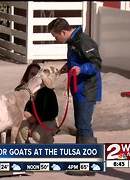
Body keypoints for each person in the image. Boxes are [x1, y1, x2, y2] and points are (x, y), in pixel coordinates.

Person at [48, 18, 102, 176]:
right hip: (79, 89)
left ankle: (88, 166)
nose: (55, 39)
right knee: (81, 125)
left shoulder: (84, 41)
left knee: (84, 126)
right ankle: (81, 162)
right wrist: (69, 66)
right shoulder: (72, 41)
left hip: (87, 90)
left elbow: (96, 63)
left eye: (55, 36)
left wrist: (81, 69)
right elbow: (78, 60)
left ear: (63, 32)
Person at [15, 63, 59, 144]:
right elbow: (14, 107)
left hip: (48, 119)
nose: (34, 77)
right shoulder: (20, 90)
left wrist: (35, 123)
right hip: (29, 119)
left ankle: (48, 148)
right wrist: (25, 113)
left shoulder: (47, 91)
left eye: (36, 74)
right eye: (32, 74)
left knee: (37, 135)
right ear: (27, 75)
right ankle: (23, 151)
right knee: (21, 128)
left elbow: (53, 112)